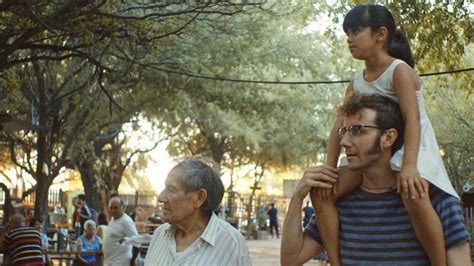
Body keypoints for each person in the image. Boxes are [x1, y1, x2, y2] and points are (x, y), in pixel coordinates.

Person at [313, 4, 459, 265]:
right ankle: (335, 261)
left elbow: (412, 119)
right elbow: (338, 128)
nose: (349, 38)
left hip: (412, 147)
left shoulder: (399, 71)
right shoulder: (356, 83)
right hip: (375, 150)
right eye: (347, 32)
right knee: (323, 193)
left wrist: (410, 166)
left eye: (356, 31)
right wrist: (329, 168)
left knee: (413, 195)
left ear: (380, 34)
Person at [281, 94, 471, 265]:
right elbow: (290, 260)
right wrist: (297, 198)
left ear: (388, 137)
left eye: (357, 130)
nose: (344, 142)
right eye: (344, 131)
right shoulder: (338, 203)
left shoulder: (434, 200)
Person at [144, 157, 252, 265]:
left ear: (199, 198)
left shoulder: (232, 243)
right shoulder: (160, 234)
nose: (161, 198)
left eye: (172, 189)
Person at [103, 195, 139, 266]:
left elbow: (137, 243)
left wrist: (133, 260)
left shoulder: (126, 221)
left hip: (121, 261)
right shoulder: (113, 219)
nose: (113, 210)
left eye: (116, 208)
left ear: (123, 208)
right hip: (110, 261)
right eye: (111, 208)